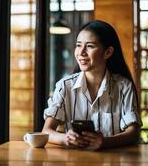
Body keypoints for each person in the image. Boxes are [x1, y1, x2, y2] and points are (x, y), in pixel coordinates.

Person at [42, 20, 142, 150]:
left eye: (89, 46)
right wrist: (65, 138)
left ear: (108, 52)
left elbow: (133, 133)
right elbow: (46, 131)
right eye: (78, 45)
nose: (81, 52)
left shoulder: (124, 86)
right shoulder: (64, 86)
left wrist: (104, 142)